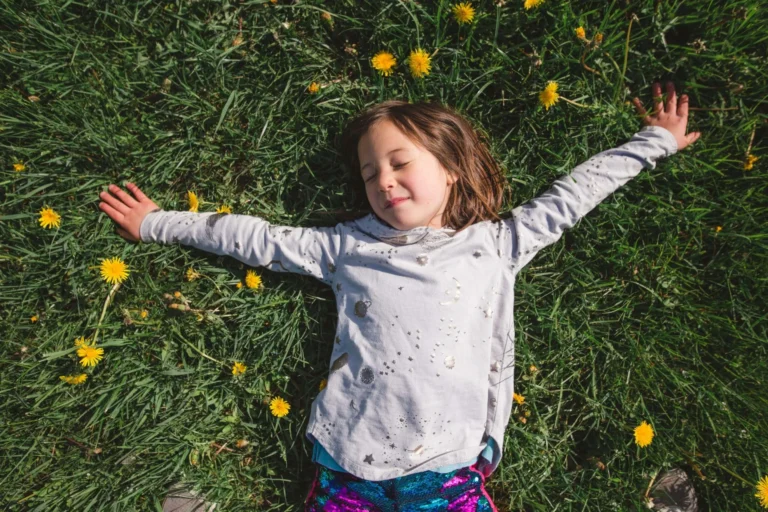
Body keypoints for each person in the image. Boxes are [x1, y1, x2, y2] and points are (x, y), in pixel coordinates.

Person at [98, 82, 701, 511]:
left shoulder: (498, 244)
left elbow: (574, 195)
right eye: (368, 173)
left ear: (451, 169)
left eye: (399, 163)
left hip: (448, 469)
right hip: (346, 462)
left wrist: (654, 142)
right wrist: (157, 223)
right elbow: (254, 238)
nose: (383, 180)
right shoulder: (345, 247)